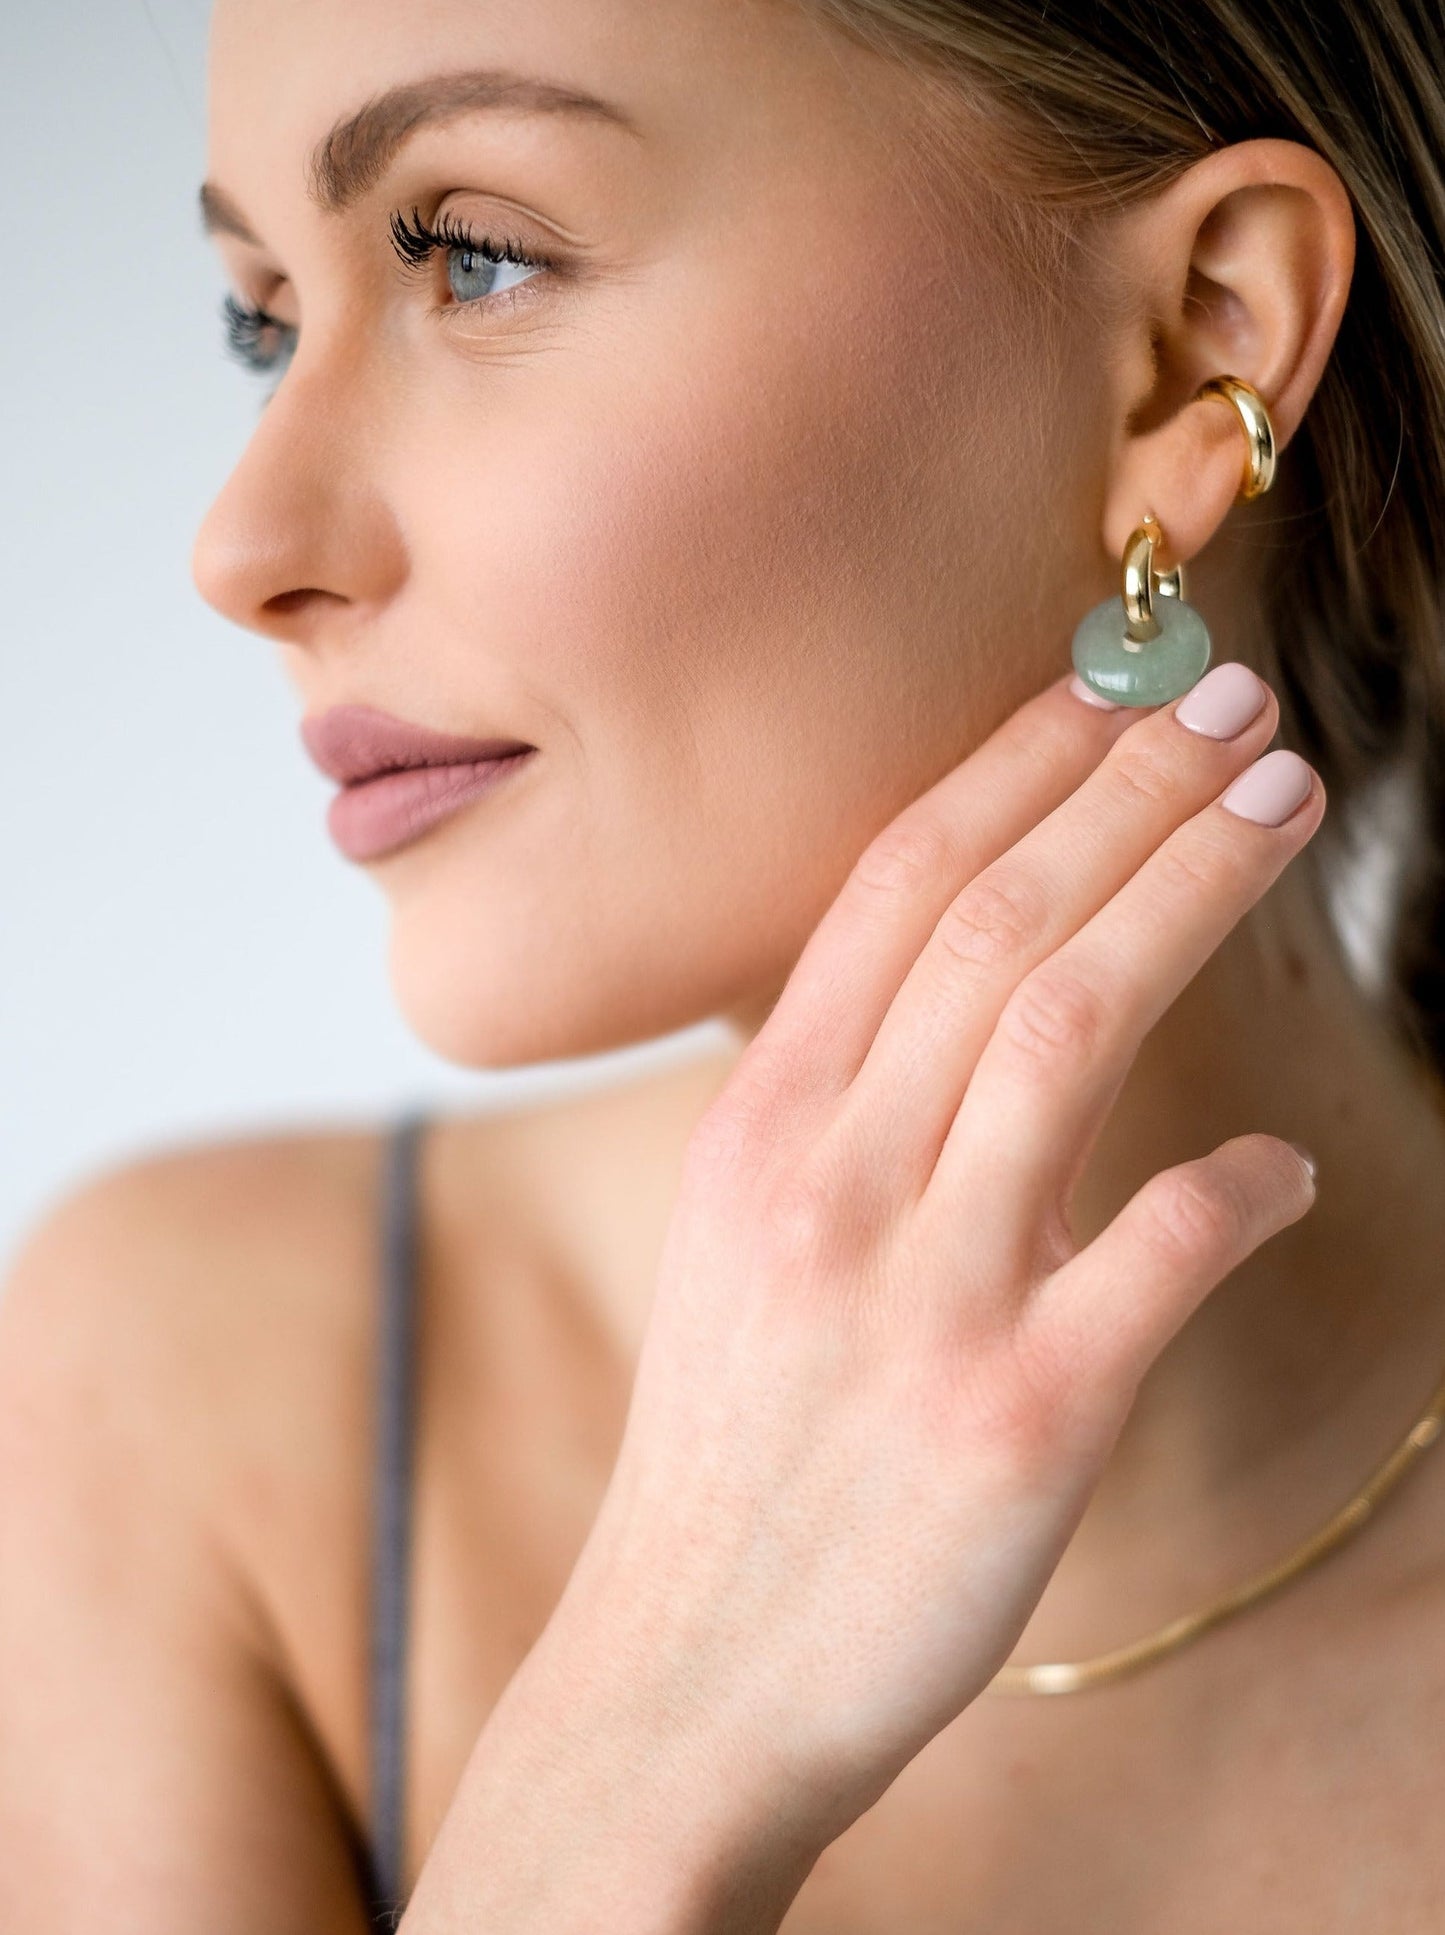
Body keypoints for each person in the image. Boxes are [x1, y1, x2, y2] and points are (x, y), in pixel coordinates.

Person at [3, 0, 1445, 1926]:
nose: (245, 540)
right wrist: (653, 1743)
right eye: (260, 317)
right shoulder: (183, 1403)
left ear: (1200, 353)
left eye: (475, 253)